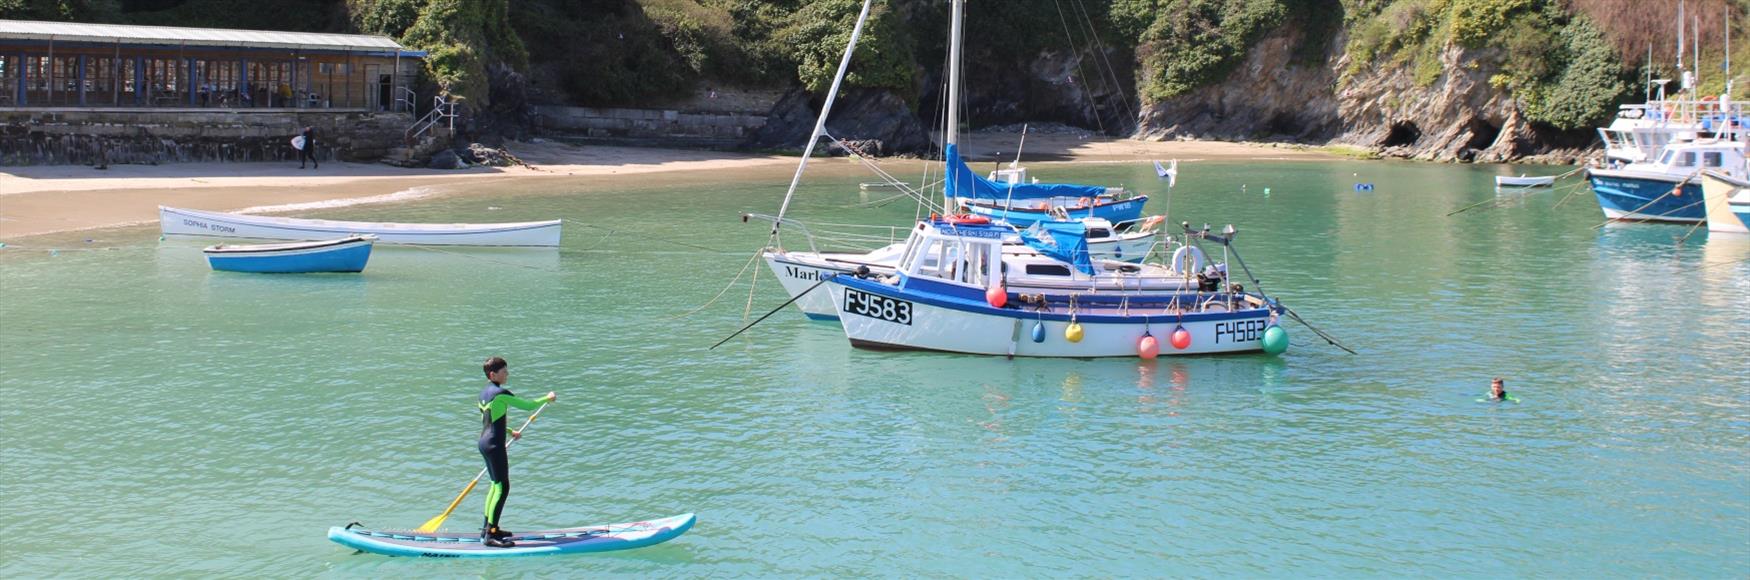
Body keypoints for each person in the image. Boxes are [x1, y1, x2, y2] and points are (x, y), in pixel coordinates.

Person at [476, 357, 556, 548]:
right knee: (503, 487)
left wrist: (511, 431)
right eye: (504, 371)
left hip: (484, 442)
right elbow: (528, 405)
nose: (507, 374)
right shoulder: (500, 393)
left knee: (495, 485)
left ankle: (487, 528)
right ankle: (491, 535)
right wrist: (548, 397)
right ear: (492, 374)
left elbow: (488, 419)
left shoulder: (483, 393)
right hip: (494, 445)